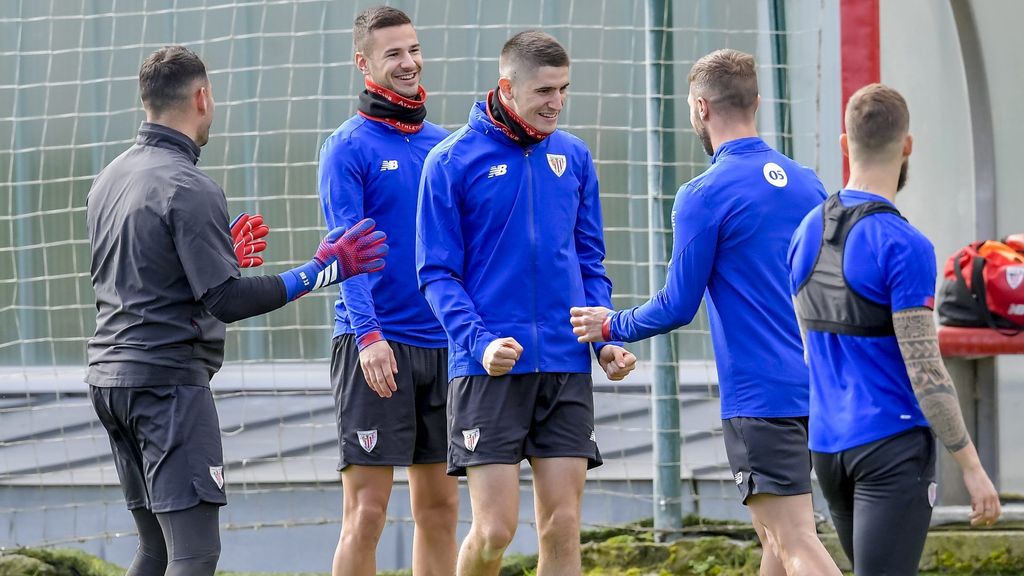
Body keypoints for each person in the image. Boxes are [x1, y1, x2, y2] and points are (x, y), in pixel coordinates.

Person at [85, 45, 387, 576]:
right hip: (166, 389)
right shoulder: (190, 185)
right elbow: (226, 300)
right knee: (195, 555)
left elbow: (141, 274)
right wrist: (322, 270)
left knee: (154, 551)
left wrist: (216, 251)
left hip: (111, 383)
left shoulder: (110, 179)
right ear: (202, 97)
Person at [570, 49, 840, 576]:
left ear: (699, 108)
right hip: (822, 388)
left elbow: (677, 305)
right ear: (757, 103)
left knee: (794, 540)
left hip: (762, 396)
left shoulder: (704, 193)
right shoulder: (808, 183)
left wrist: (611, 324)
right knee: (774, 540)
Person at [416, 30, 637, 576]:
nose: (556, 102)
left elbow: (589, 261)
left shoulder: (575, 156)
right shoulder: (449, 161)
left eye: (563, 89)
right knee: (494, 531)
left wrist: (602, 334)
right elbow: (436, 274)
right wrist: (480, 341)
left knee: (562, 527)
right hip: (488, 368)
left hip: (564, 363)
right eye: (544, 91)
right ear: (507, 88)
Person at [787, 83, 1001, 575]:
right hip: (890, 446)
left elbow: (808, 347)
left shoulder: (805, 232)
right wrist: (971, 467)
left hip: (828, 447)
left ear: (845, 144)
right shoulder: (904, 244)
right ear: (907, 145)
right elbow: (926, 370)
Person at [317, 6, 457, 576]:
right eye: (393, 53)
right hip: (373, 344)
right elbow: (344, 254)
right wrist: (369, 335)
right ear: (364, 63)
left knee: (441, 507)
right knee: (368, 512)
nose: (409, 62)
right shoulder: (347, 148)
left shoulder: (447, 147)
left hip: (444, 347)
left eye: (413, 50)